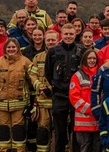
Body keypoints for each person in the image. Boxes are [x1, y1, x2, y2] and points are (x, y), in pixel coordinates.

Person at [44, 24, 86, 152]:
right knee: (59, 131)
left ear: (75, 35)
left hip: (77, 96)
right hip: (59, 95)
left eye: (71, 34)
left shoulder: (82, 51)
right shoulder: (52, 52)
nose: (68, 36)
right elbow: (48, 72)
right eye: (66, 34)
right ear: (61, 35)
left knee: (77, 130)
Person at [0, 38, 32, 152]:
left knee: (19, 132)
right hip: (2, 105)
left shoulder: (26, 62)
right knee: (3, 132)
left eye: (13, 47)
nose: (11, 49)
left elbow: (31, 79)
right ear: (5, 49)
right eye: (9, 47)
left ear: (18, 48)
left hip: (19, 105)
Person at [28, 29, 59, 152]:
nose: (50, 42)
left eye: (53, 40)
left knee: (59, 131)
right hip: (42, 102)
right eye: (48, 40)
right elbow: (32, 74)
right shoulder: (38, 57)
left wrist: (50, 89)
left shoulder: (62, 56)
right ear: (45, 41)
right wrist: (39, 86)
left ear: (58, 40)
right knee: (42, 130)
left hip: (57, 101)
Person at [68, 49, 100, 152]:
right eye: (89, 58)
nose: (92, 60)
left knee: (97, 148)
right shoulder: (77, 76)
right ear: (84, 60)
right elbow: (74, 98)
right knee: (84, 149)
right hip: (83, 123)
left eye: (94, 58)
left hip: (98, 122)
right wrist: (92, 109)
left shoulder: (100, 74)